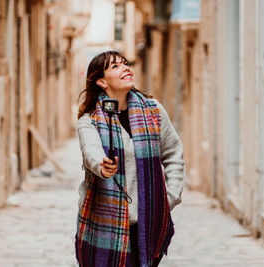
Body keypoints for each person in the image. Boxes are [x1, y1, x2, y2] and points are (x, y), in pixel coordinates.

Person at [75, 51, 184, 267]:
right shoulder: (90, 121)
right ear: (102, 81)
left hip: (149, 221)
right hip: (105, 223)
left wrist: (170, 197)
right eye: (115, 66)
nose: (125, 68)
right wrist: (101, 164)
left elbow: (173, 153)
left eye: (125, 64)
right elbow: (91, 150)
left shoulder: (153, 111)